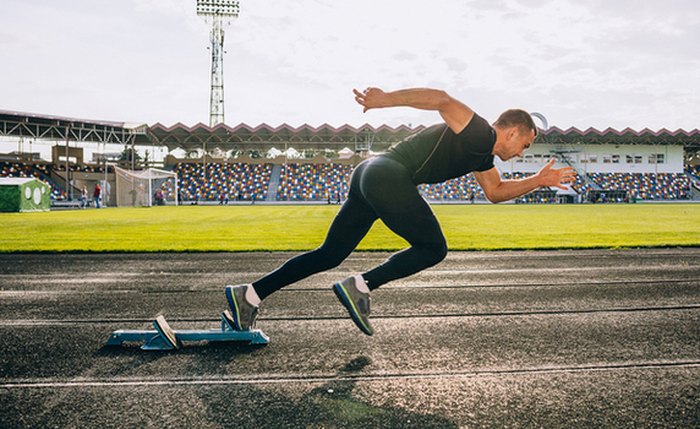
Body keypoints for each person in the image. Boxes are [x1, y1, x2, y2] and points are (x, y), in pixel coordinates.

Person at [224, 86, 576, 336]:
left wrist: (538, 181)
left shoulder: (481, 152)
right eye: (525, 145)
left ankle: (249, 295)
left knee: (330, 254)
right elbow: (441, 99)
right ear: (513, 131)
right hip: (388, 175)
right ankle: (360, 286)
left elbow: (496, 192)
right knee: (433, 248)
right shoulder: (481, 132)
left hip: (370, 173)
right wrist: (384, 100)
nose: (522, 153)